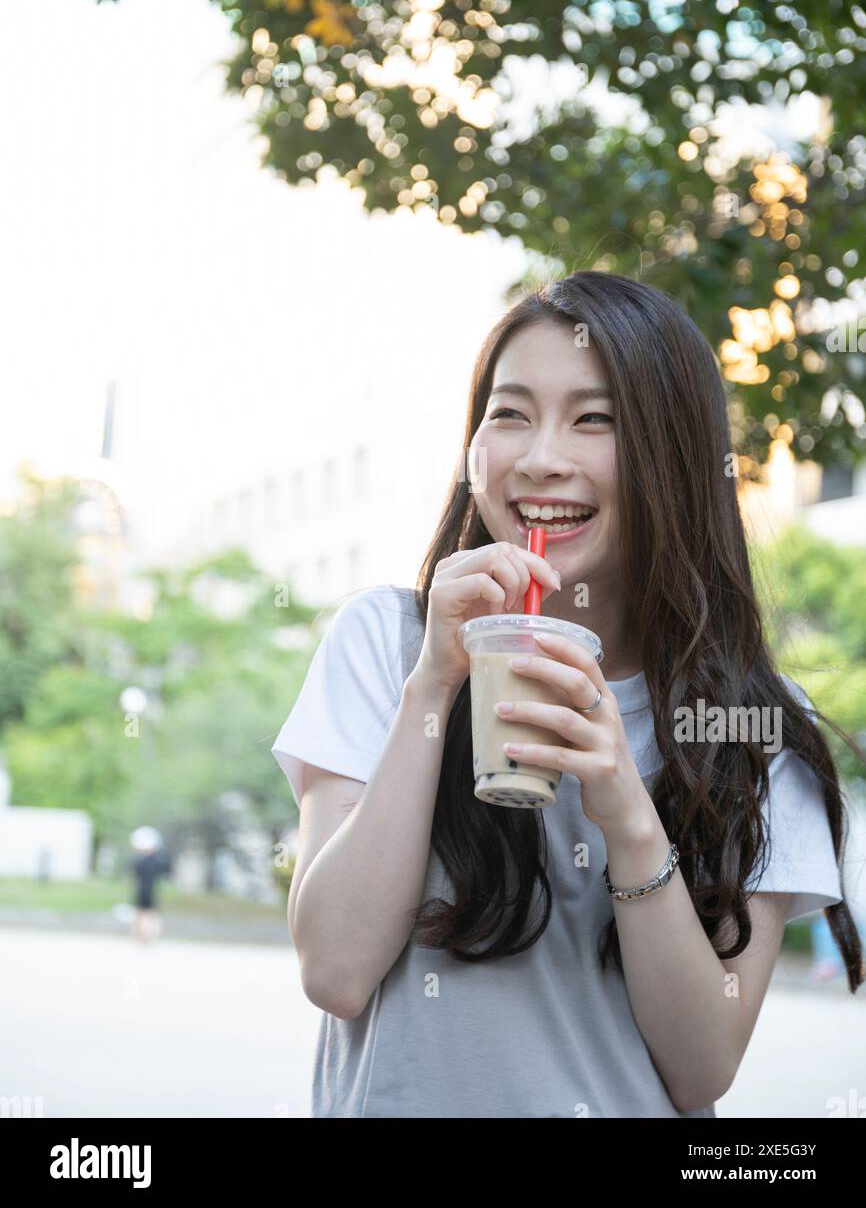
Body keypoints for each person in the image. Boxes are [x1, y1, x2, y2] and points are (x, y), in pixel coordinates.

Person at [271, 270, 865, 1119]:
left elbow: (703, 1069)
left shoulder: (753, 724)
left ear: (676, 454)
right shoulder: (388, 643)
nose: (541, 457)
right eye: (509, 413)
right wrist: (434, 688)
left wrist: (625, 811)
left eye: (596, 419)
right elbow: (333, 969)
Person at [129, 826, 171, 945]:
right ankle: (146, 936)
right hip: (150, 889)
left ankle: (144, 936)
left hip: (145, 890)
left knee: (144, 913)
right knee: (147, 913)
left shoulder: (142, 861)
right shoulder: (158, 860)